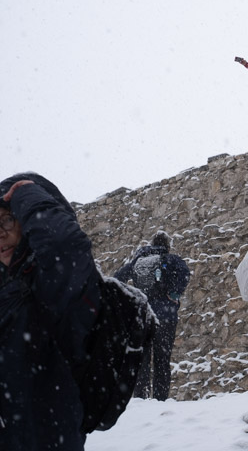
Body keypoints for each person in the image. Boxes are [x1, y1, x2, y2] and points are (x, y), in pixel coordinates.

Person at [0, 173, 101, 450]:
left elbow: (65, 248)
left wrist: (27, 195)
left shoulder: (56, 287)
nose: (0, 233)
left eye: (8, 219)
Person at [114, 230, 190, 401]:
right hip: (165, 317)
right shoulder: (171, 260)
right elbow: (185, 273)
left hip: (141, 318)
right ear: (167, 246)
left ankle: (141, 399)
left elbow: (117, 279)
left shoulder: (137, 262)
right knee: (162, 360)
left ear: (152, 244)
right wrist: (174, 294)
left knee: (141, 361)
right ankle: (160, 400)